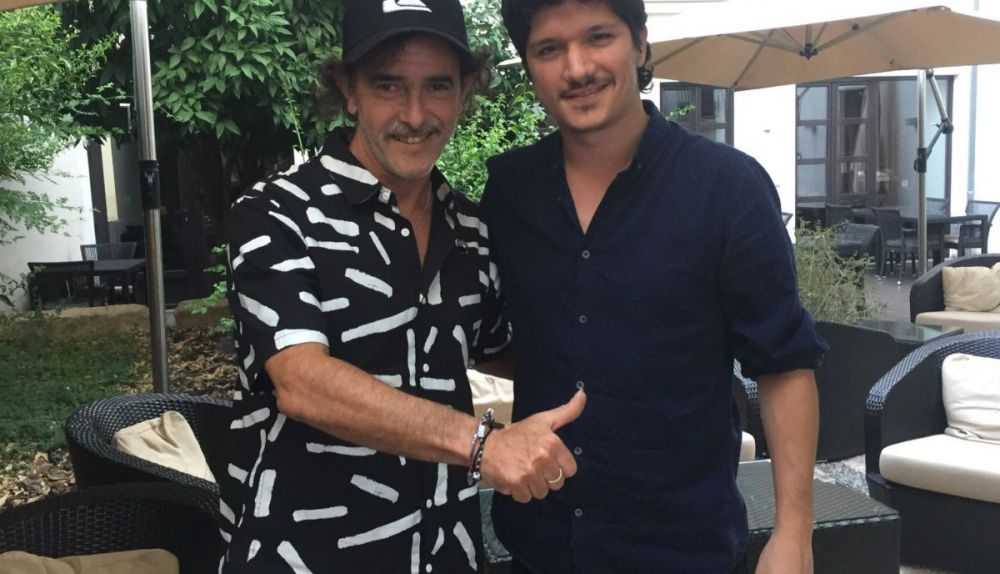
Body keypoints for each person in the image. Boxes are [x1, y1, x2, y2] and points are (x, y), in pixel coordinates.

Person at [219, 1, 585, 571]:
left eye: (437, 85)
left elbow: (508, 355)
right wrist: (483, 444)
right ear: (348, 90)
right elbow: (302, 382)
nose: (414, 114)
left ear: (465, 91)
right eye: (388, 85)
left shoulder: (471, 230)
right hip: (304, 556)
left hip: (445, 551)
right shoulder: (276, 215)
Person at [482, 0, 828, 572]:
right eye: (549, 49)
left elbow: (784, 363)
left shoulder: (727, 189)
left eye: (598, 37)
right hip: (539, 542)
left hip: (681, 547)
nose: (577, 68)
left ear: (640, 42)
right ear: (529, 63)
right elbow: (496, 336)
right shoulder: (510, 191)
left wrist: (794, 531)